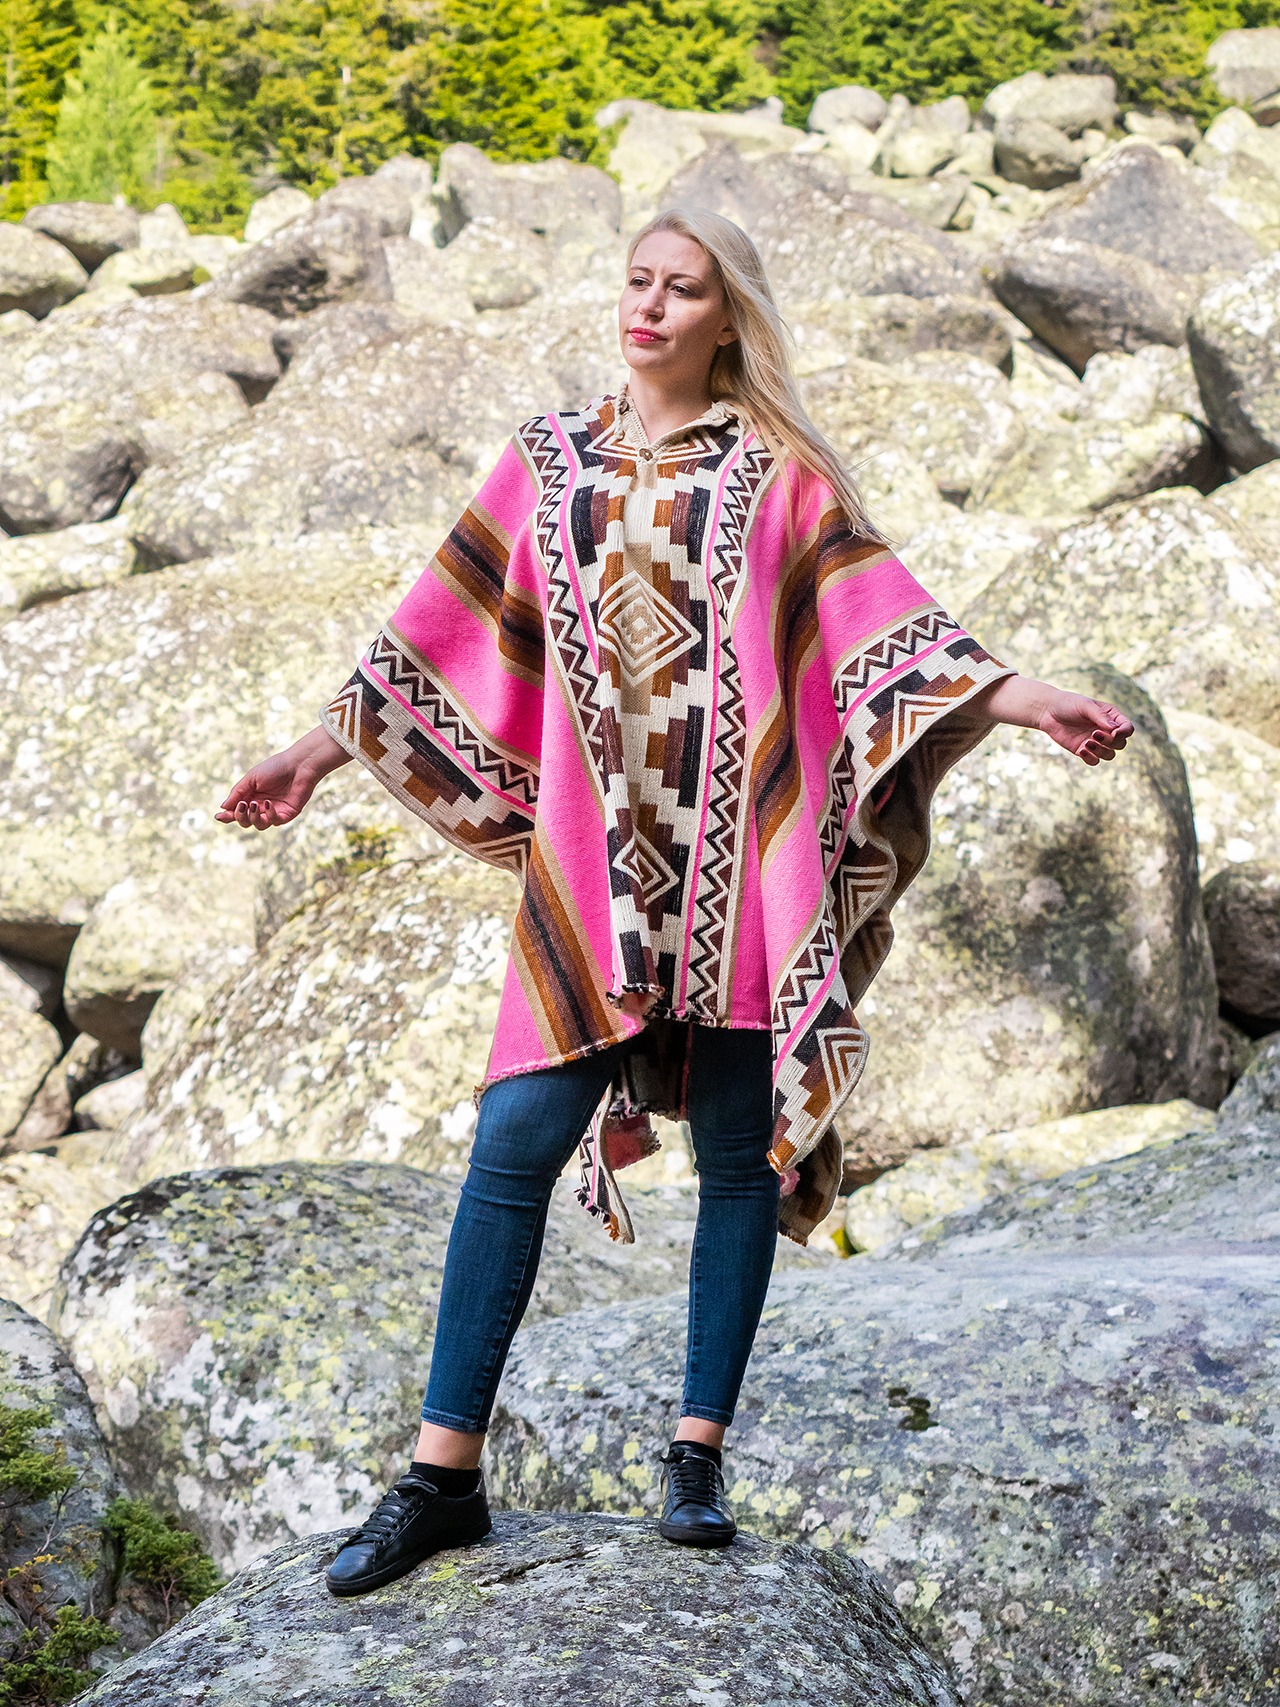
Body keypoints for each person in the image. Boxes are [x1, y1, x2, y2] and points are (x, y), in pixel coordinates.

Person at [217, 205, 1134, 1597]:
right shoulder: (547, 462)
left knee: (737, 1157)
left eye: (682, 288)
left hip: (742, 868)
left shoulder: (778, 480)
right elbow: (436, 632)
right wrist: (312, 752)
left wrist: (1024, 697)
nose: (648, 305)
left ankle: (696, 1456)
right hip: (592, 870)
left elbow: (884, 626)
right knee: (513, 1142)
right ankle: (441, 1474)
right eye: (637, 280)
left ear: (727, 317)